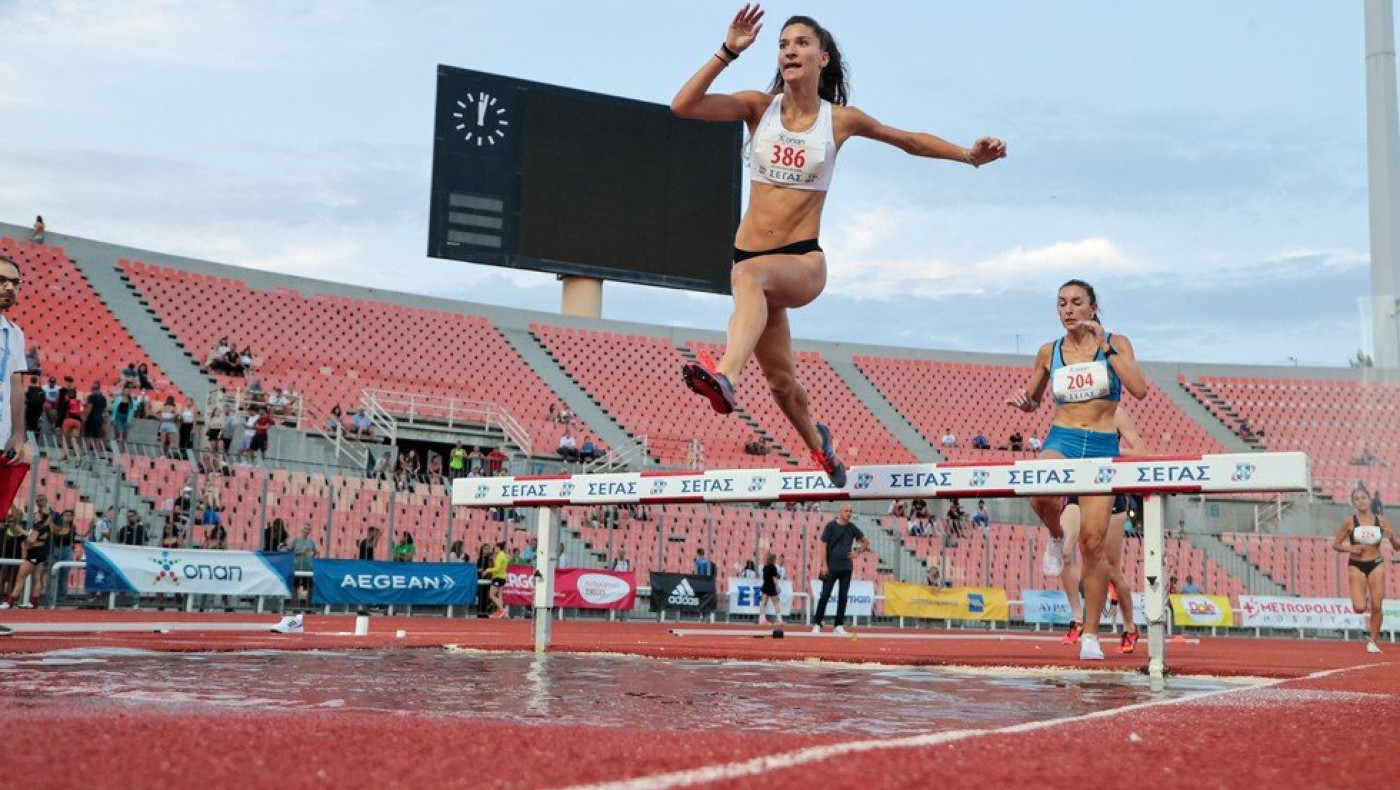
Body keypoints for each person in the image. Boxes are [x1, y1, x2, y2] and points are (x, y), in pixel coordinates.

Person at [672, 5, 1006, 491]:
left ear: (823, 57)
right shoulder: (756, 108)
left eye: (801, 43)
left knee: (749, 279)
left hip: (802, 261)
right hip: (751, 266)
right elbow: (682, 105)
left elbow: (908, 140)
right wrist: (727, 51)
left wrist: (968, 156)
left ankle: (724, 374)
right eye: (783, 44)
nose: (790, 50)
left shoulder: (839, 121)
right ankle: (819, 446)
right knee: (782, 384)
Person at [1008, 279, 1147, 661]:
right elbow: (1033, 400)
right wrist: (1024, 403)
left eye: (1075, 303)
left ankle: (1090, 635)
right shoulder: (1048, 351)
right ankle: (1055, 536)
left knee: (1092, 544)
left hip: (1102, 446)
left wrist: (1105, 346)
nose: (1067, 310)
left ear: (1092, 306)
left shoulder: (1117, 343)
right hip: (1063, 440)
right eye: (1061, 303)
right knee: (1039, 494)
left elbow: (1139, 389)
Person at [1056, 408, 1147, 653]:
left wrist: (1108, 452)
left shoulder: (1116, 413)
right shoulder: (1070, 411)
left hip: (1109, 491)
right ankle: (1078, 620)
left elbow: (1141, 452)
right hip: (1078, 487)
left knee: (1111, 570)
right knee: (1064, 551)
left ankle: (1130, 626)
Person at [1333, 485, 1398, 653]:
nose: (1361, 501)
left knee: (1377, 605)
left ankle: (1373, 641)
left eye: (1363, 497)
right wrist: (1350, 549)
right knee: (1360, 607)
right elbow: (1336, 544)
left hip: (1376, 563)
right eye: (1357, 499)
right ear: (1353, 503)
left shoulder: (1381, 520)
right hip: (1357, 564)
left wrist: (1392, 537)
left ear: (1369, 499)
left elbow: (1397, 547)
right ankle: (1360, 597)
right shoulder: (1349, 521)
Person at [811, 504, 868, 634]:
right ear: (840, 512)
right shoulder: (831, 526)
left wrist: (857, 552)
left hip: (846, 567)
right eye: (846, 511)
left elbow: (865, 541)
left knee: (843, 597)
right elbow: (823, 545)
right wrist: (824, 565)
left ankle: (839, 625)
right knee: (825, 595)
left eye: (850, 511)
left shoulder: (852, 528)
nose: (849, 513)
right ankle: (817, 623)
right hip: (831, 567)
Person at [289, 525, 318, 610]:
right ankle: (294, 606)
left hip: (307, 567)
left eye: (308, 529)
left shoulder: (311, 542)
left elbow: (315, 552)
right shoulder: (296, 540)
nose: (307, 531)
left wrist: (312, 555)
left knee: (309, 586)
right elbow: (290, 551)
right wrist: (300, 552)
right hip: (297, 566)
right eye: (305, 529)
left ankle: (308, 606)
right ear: (302, 530)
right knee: (295, 586)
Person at [758, 552, 783, 626]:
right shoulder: (773, 567)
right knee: (776, 603)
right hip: (771, 587)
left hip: (765, 586)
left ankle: (762, 619)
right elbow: (774, 579)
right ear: (773, 559)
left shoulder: (765, 567)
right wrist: (777, 587)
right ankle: (779, 619)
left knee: (763, 603)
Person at [487, 541, 509, 619]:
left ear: (499, 548)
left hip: (498, 577)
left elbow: (497, 568)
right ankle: (500, 612)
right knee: (499, 595)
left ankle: (502, 610)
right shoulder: (503, 555)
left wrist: (487, 570)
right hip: (502, 577)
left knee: (491, 595)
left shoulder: (500, 556)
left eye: (495, 548)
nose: (494, 549)